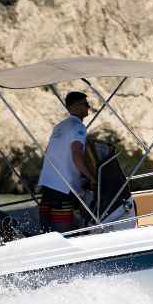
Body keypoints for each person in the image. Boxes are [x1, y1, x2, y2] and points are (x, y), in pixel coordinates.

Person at [37, 91, 98, 233]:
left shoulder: (58, 126)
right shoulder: (78, 127)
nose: (88, 107)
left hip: (47, 188)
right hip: (62, 191)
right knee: (63, 237)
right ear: (76, 108)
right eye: (86, 104)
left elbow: (52, 154)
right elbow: (76, 156)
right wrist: (92, 178)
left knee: (46, 235)